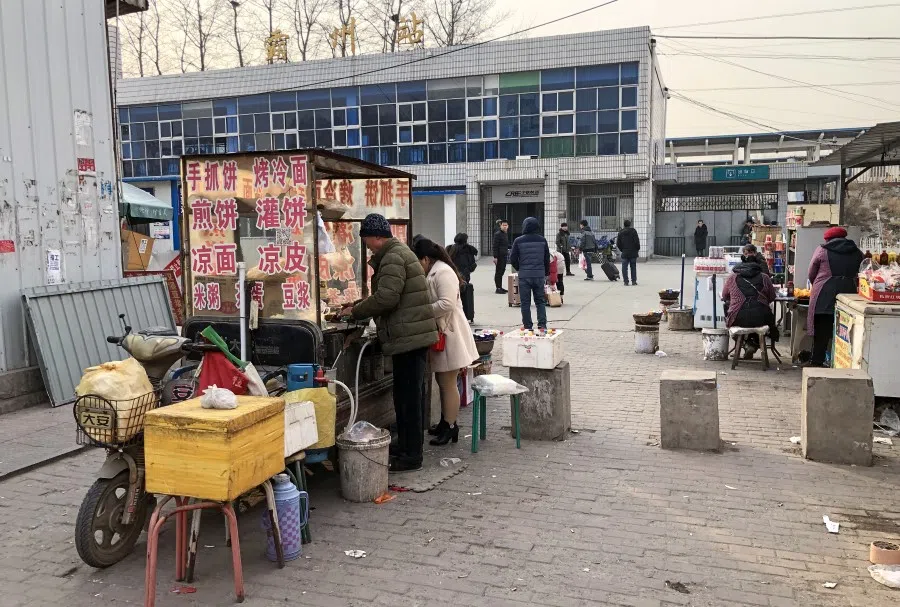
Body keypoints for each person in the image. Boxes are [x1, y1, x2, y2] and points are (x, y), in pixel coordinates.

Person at [341, 214, 438, 472]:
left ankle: (410, 455)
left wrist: (355, 311)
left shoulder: (393, 256)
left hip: (409, 338)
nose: (368, 246)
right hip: (411, 336)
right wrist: (359, 306)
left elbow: (386, 298)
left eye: (367, 241)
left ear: (376, 236)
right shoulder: (397, 253)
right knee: (407, 396)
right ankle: (406, 445)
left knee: (408, 398)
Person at [414, 238, 479, 447]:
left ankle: (451, 427)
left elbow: (447, 303)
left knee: (448, 383)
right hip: (444, 332)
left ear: (425, 258)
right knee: (443, 382)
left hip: (451, 333)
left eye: (418, 261)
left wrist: (421, 312)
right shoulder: (436, 270)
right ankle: (446, 422)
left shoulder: (442, 272)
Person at [807, 227, 864, 367]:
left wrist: (818, 284)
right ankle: (842, 362)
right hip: (849, 292)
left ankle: (817, 361)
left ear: (827, 239)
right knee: (845, 328)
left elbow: (811, 272)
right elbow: (863, 272)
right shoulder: (857, 252)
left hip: (824, 293)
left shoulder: (822, 250)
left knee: (822, 328)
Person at [722, 259, 778, 359]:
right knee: (760, 322)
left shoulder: (732, 278)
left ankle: (746, 344)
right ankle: (753, 344)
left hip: (738, 317)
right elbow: (772, 297)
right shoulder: (764, 277)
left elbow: (724, 296)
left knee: (732, 321)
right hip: (761, 317)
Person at [509, 217, 551, 330]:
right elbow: (547, 259)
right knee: (540, 301)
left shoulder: (518, 240)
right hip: (539, 275)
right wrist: (546, 273)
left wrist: (520, 268)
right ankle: (542, 325)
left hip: (524, 276)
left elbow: (512, 258)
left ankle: (528, 326)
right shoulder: (542, 240)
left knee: (525, 303)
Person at [448, 233, 478, 324]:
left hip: (452, 275)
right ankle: (465, 314)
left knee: (454, 296)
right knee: (464, 296)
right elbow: (472, 264)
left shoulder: (450, 249)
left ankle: (455, 316)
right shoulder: (469, 249)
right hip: (464, 276)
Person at [616, 220, 640, 286]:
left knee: (624, 267)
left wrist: (622, 250)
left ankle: (626, 282)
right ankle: (634, 281)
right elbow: (637, 242)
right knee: (633, 267)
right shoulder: (633, 231)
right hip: (633, 252)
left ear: (624, 225)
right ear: (630, 225)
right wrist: (637, 249)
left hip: (625, 252)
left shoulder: (621, 232)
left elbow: (618, 243)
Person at [492, 220, 510, 294]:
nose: (505, 226)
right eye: (503, 225)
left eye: (506, 225)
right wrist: (495, 257)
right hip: (499, 256)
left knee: (502, 271)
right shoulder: (498, 234)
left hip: (504, 255)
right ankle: (498, 288)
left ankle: (500, 287)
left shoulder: (505, 234)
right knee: (499, 272)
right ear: (500, 226)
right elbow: (495, 246)